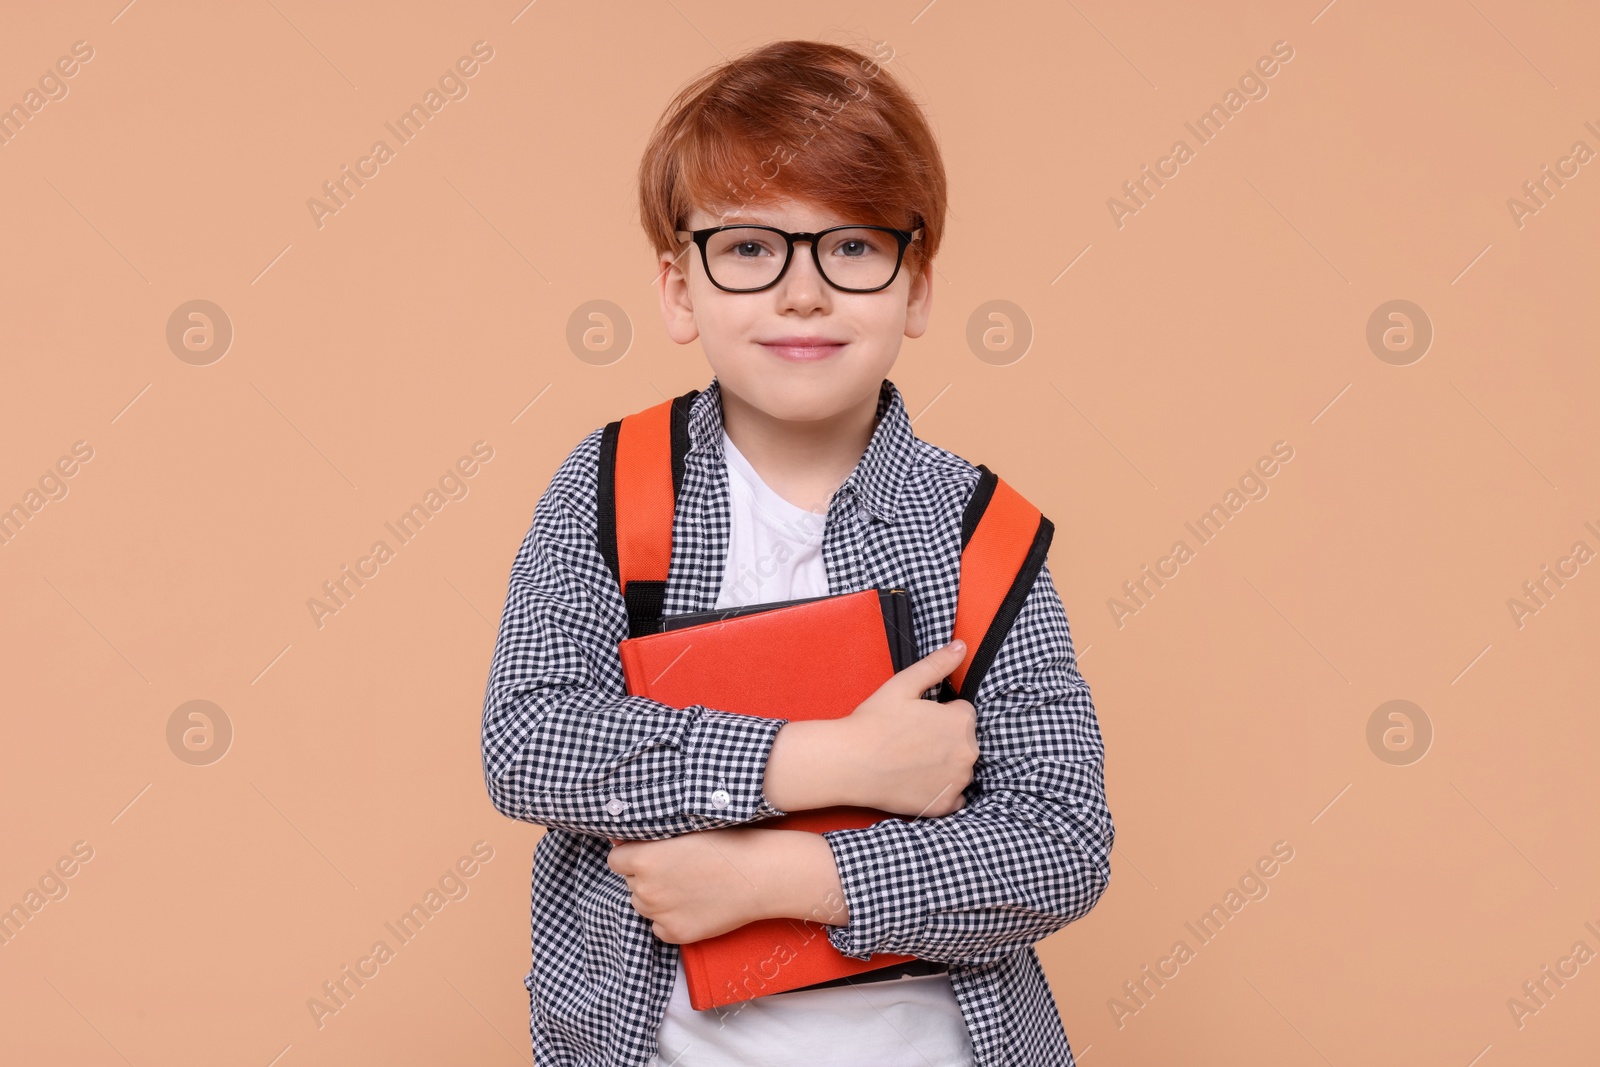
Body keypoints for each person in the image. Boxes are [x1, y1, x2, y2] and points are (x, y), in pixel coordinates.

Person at [479, 37, 1113, 1067]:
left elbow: (1057, 844)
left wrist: (780, 877)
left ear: (916, 287)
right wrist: (833, 760)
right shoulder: (610, 490)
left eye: (852, 247)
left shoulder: (979, 533)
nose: (803, 292)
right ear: (678, 288)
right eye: (747, 248)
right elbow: (531, 742)